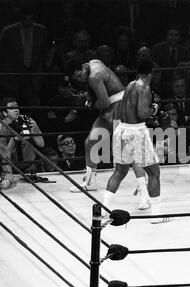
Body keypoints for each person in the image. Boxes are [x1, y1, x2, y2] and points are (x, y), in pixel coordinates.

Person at [64, 58, 150, 209]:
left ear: (83, 67)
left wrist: (90, 103)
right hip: (110, 110)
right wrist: (91, 98)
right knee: (91, 142)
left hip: (119, 109)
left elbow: (104, 102)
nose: (80, 79)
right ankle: (90, 181)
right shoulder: (93, 63)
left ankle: (145, 194)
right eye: (76, 78)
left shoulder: (94, 76)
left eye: (79, 75)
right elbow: (99, 94)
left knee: (128, 150)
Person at [104, 58, 165, 222]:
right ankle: (156, 215)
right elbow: (142, 113)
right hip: (136, 131)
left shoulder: (130, 84)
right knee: (154, 172)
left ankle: (103, 209)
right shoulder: (144, 87)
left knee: (120, 171)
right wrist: (155, 108)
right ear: (152, 72)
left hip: (121, 129)